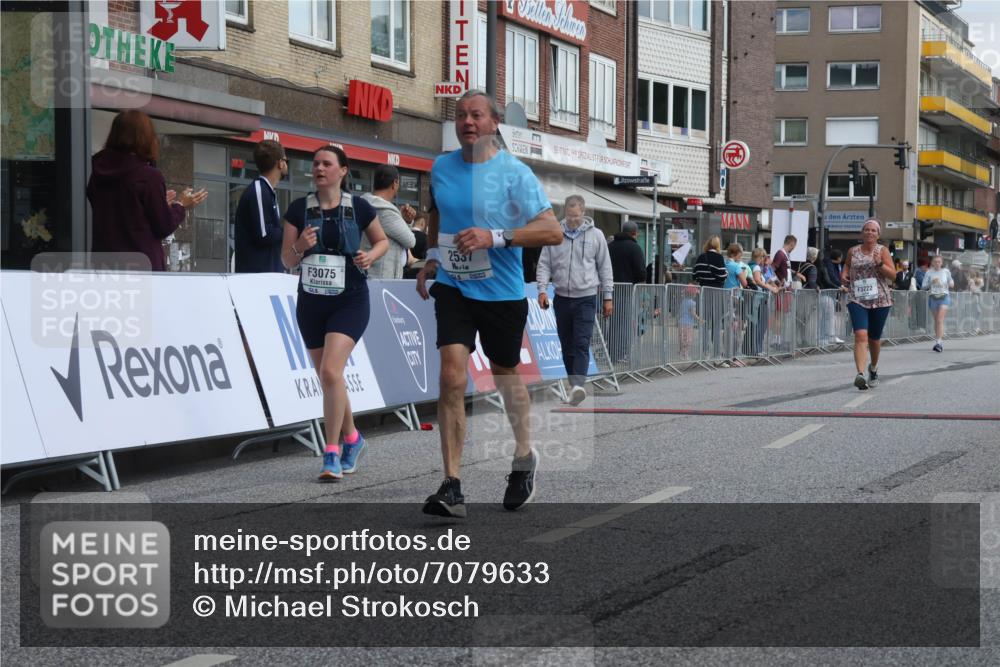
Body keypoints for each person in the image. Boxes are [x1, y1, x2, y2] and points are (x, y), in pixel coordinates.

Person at [415, 91, 561, 518]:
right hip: (454, 286)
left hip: (501, 291)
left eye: (476, 115)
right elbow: (437, 213)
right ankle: (452, 485)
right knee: (450, 375)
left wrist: (495, 236)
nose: (468, 122)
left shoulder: (514, 173)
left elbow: (551, 230)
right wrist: (433, 257)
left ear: (495, 123)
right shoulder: (441, 167)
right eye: (461, 115)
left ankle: (523, 457)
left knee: (504, 373)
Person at [281, 145, 388, 481]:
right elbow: (286, 259)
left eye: (327, 163)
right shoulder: (299, 210)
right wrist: (301, 246)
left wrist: (371, 256)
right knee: (330, 378)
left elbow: (382, 241)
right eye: (315, 164)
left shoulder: (359, 207)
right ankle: (353, 438)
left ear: (343, 170)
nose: (319, 168)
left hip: (350, 299)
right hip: (311, 302)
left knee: (330, 371)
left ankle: (331, 453)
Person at [87, 110, 207, 270]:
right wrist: (181, 205)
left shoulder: (97, 172)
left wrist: (155, 204)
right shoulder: (148, 176)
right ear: (146, 137)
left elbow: (119, 211)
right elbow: (163, 226)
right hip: (141, 266)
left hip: (104, 265)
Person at [536, 195, 614, 406]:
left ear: (583, 211)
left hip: (586, 297)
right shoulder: (555, 235)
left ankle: (579, 384)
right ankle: (574, 386)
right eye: (569, 215)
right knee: (566, 344)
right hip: (561, 297)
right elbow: (544, 264)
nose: (572, 219)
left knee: (581, 342)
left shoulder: (596, 235)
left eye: (575, 215)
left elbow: (605, 268)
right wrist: (542, 290)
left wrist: (608, 297)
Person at [842, 218, 896, 390]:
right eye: (867, 229)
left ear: (878, 234)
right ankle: (860, 374)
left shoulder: (883, 251)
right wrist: (843, 275)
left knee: (874, 338)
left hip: (880, 299)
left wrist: (879, 263)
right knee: (860, 335)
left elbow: (893, 276)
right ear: (862, 233)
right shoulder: (853, 251)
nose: (870, 233)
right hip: (857, 298)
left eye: (873, 230)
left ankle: (873, 368)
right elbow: (847, 265)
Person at [234, 139, 287, 273]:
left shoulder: (265, 191)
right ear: (280, 163)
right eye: (285, 160)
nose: (286, 164)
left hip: (265, 273)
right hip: (258, 276)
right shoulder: (259, 190)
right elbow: (264, 234)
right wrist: (290, 230)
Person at [361, 164, 416, 279]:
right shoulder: (385, 211)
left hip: (366, 274)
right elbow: (410, 241)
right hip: (382, 277)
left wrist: (405, 220)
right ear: (395, 183)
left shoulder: (364, 204)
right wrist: (404, 220)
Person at [921, 254, 954, 352]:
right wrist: (931, 283)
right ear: (932, 263)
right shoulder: (929, 272)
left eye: (939, 262)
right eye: (935, 262)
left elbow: (951, 281)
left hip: (944, 297)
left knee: (940, 320)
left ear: (942, 263)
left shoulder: (946, 271)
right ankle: (937, 339)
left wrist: (951, 283)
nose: (937, 263)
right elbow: (923, 286)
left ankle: (939, 343)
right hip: (933, 297)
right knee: (936, 321)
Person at [678, 284, 701, 359]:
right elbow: (693, 314)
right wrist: (699, 319)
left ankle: (681, 353)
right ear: (692, 294)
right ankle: (686, 354)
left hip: (681, 322)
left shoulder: (683, 301)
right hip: (688, 324)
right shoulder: (692, 303)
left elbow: (680, 312)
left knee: (682, 338)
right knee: (688, 339)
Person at [403, 214, 428, 279]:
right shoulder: (426, 238)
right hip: (418, 274)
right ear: (422, 223)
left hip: (403, 274)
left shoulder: (404, 236)